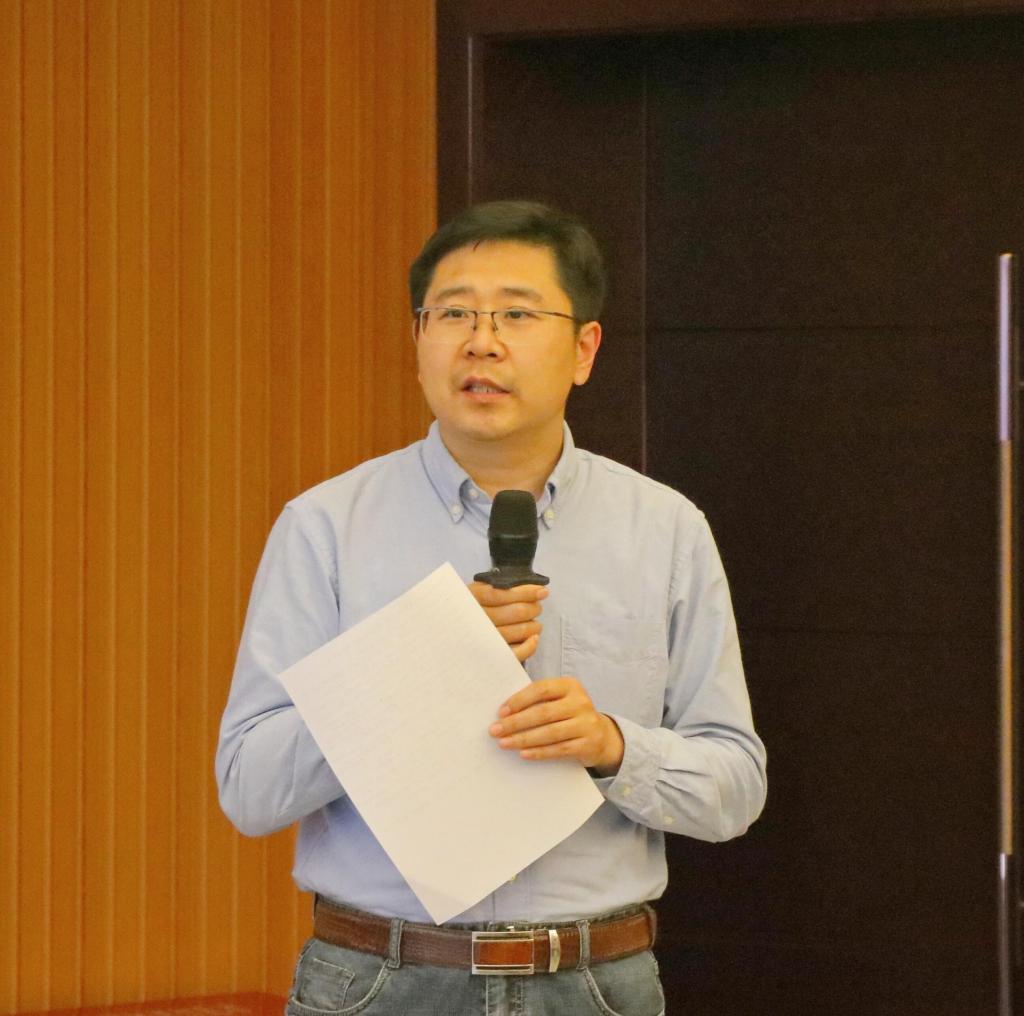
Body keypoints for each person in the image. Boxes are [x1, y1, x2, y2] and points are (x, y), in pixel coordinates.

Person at [216, 200, 767, 1016]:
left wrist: (612, 747)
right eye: (453, 314)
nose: (482, 341)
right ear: (418, 341)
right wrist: (414, 664)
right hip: (379, 981)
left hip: (593, 984)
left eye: (517, 313)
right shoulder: (326, 526)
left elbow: (734, 788)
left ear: (585, 349)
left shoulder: (665, 530)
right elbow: (250, 787)